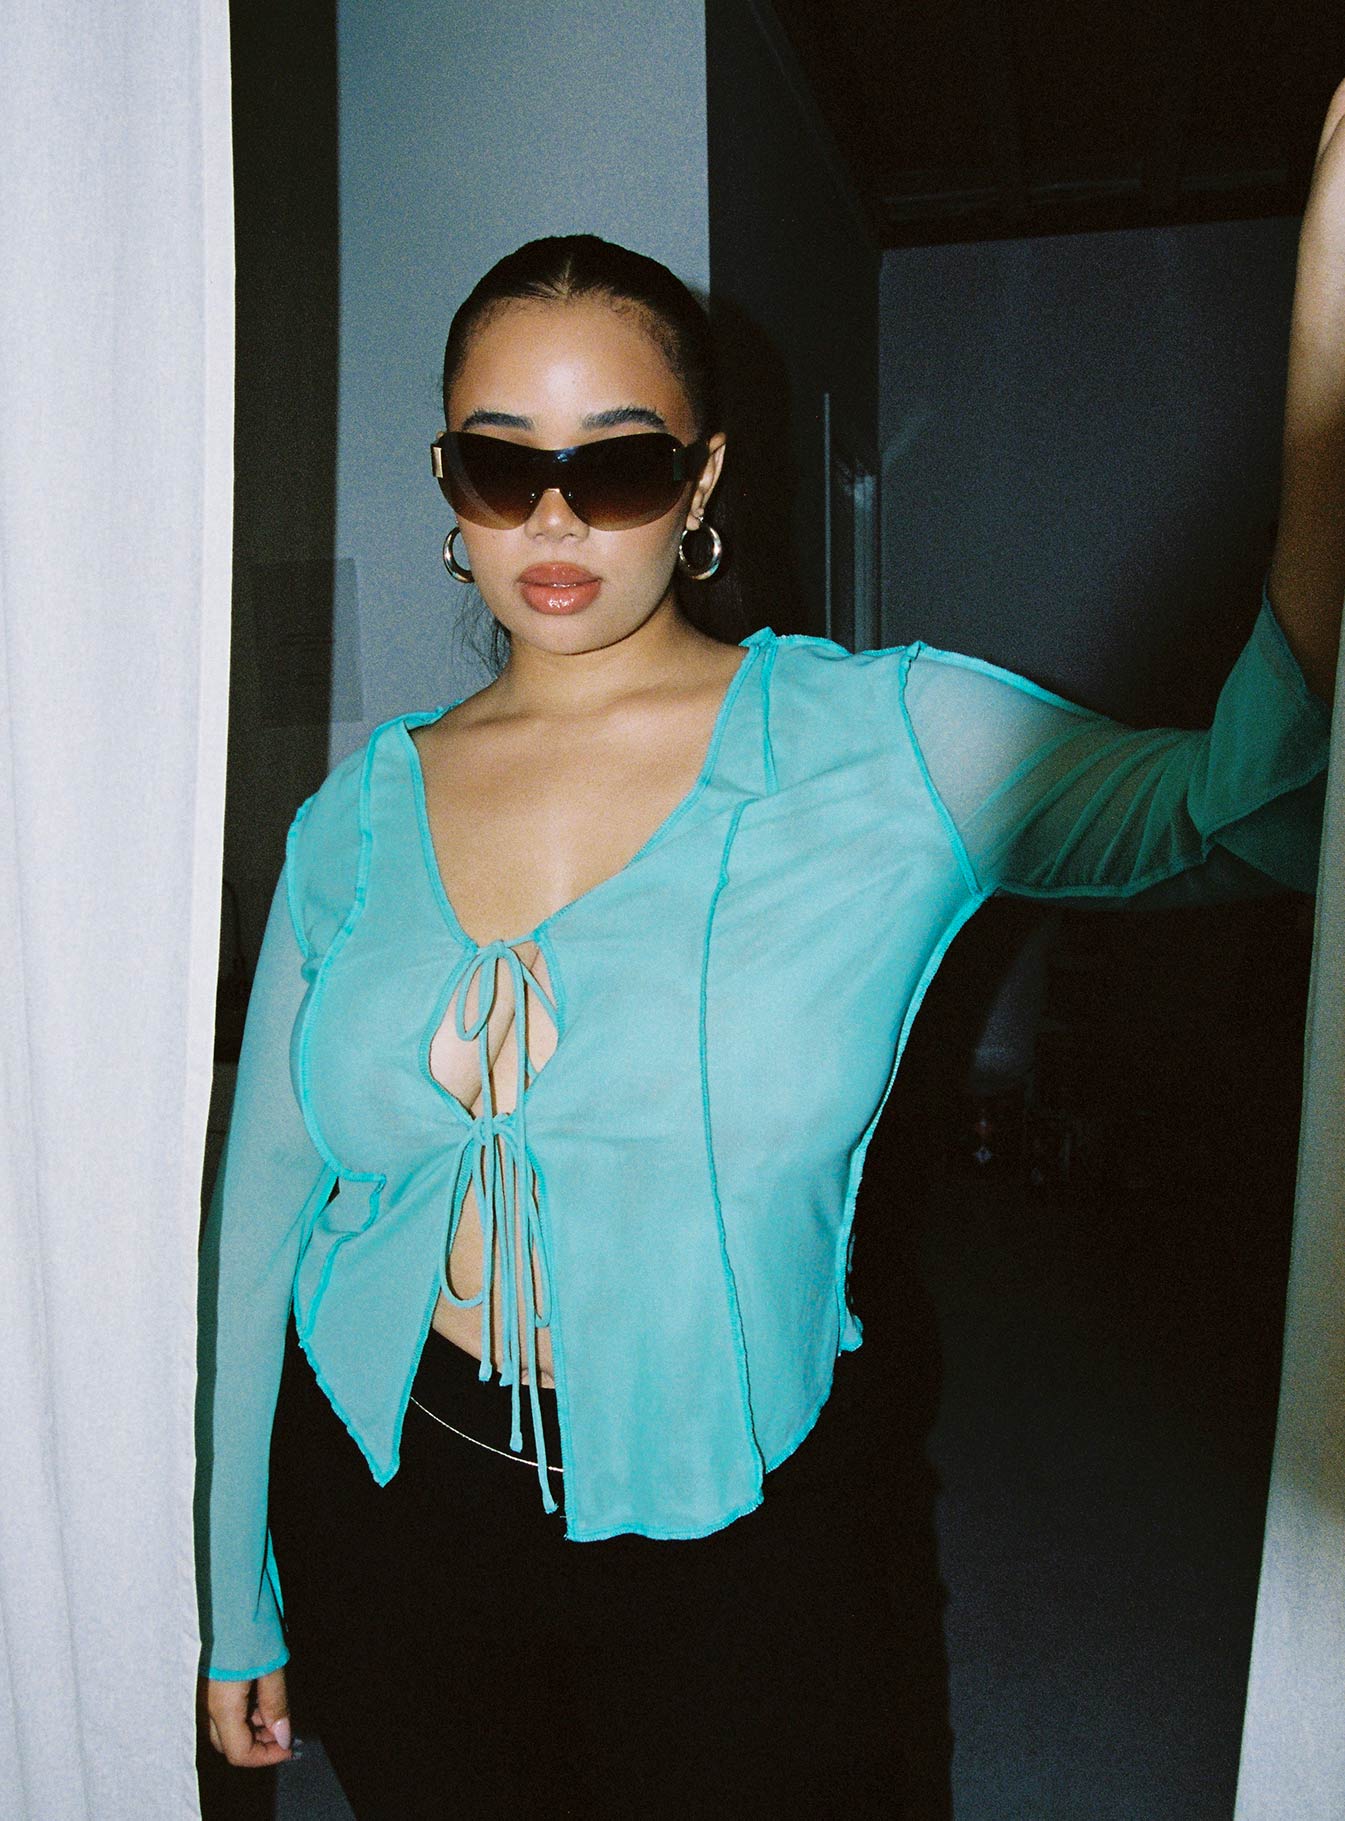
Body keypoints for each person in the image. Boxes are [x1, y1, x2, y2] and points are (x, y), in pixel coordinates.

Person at [198, 82, 1344, 1820]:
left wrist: (1323, 396)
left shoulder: (891, 741)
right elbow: (263, 1217)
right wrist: (234, 1590)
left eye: (619, 463)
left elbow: (1254, 809)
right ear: (449, 485)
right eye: (502, 463)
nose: (556, 520)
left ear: (703, 480)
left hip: (747, 1537)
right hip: (396, 1512)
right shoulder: (350, 816)